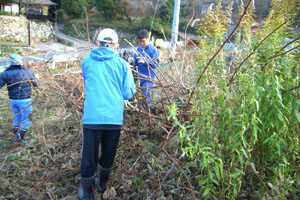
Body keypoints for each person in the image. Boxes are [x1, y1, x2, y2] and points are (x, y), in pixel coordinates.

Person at [77, 28, 136, 200]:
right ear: (116, 46)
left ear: (97, 43)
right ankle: (102, 184)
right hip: (113, 118)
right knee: (108, 153)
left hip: (92, 118)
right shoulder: (123, 65)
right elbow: (129, 93)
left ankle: (88, 193)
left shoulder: (86, 62)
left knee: (88, 156)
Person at [0, 54, 38, 145]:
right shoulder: (28, 72)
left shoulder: (5, 73)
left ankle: (17, 138)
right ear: (21, 62)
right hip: (25, 100)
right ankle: (18, 138)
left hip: (13, 100)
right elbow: (36, 84)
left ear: (10, 62)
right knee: (27, 119)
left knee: (17, 117)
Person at [133, 29, 159, 108]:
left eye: (143, 41)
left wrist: (146, 60)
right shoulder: (139, 49)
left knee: (145, 97)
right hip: (139, 77)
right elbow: (135, 61)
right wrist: (133, 61)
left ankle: (146, 116)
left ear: (148, 39)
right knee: (139, 98)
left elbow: (156, 63)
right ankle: (140, 114)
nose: (141, 43)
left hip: (148, 77)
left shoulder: (153, 50)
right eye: (140, 41)